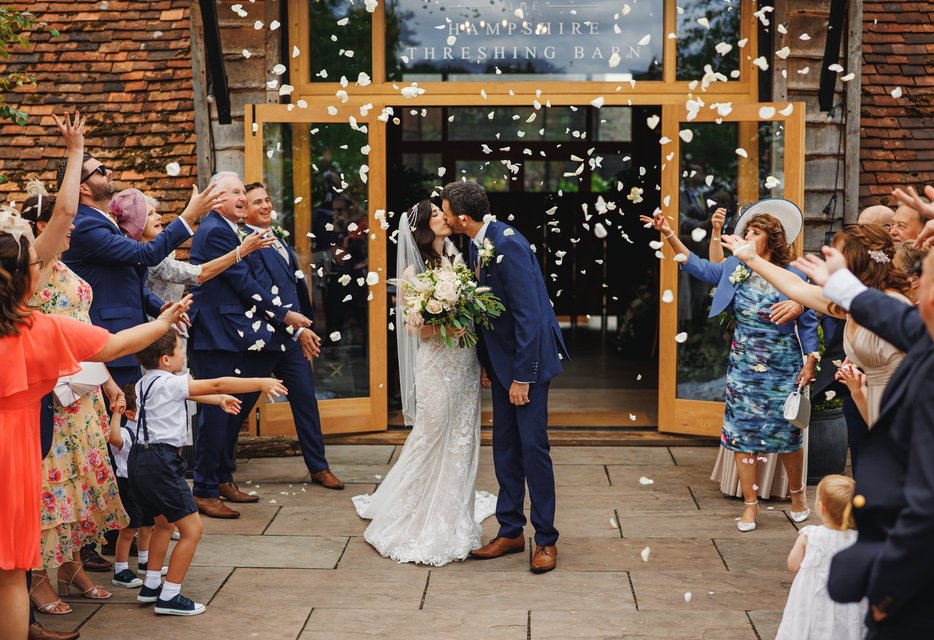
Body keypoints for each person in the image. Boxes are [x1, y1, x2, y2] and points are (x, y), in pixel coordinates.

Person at [0, 208, 192, 640]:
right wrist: (161, 323)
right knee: (11, 574)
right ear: (20, 280)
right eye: (35, 264)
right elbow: (115, 345)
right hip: (12, 459)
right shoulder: (42, 329)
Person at [642, 199, 819, 532]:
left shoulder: (793, 274)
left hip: (783, 363)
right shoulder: (734, 270)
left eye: (754, 232)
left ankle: (798, 498)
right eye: (747, 231)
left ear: (772, 240)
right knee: (741, 435)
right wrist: (668, 233)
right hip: (744, 362)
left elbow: (809, 321)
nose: (747, 236)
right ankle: (750, 507)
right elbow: (695, 265)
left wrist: (810, 362)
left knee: (788, 434)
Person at [794, 247, 934, 639]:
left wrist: (888, 592)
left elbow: (925, 506)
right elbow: (902, 320)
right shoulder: (922, 328)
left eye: (926, 276)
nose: (916, 284)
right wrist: (844, 286)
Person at [351, 200, 496, 565]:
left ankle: (452, 505)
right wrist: (447, 323)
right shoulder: (414, 269)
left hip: (463, 361)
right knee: (432, 434)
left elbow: (473, 315)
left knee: (462, 435)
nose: (444, 218)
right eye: (436, 214)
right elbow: (415, 328)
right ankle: (410, 512)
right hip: (437, 364)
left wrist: (479, 360)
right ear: (423, 226)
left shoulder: (456, 258)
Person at [442, 181, 569, 573]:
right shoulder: (474, 242)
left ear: (462, 218)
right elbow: (487, 312)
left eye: (445, 212)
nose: (443, 217)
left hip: (526, 366)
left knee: (533, 450)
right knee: (505, 447)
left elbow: (529, 315)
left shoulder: (508, 244)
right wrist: (486, 364)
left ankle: (545, 539)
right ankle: (511, 530)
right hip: (500, 364)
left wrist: (522, 378)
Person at [127, 330, 286, 616]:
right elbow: (215, 383)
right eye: (180, 350)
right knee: (192, 530)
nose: (183, 354)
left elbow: (193, 393)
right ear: (165, 359)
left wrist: (219, 399)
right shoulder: (170, 381)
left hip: (140, 461)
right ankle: (170, 597)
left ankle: (151, 585)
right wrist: (260, 382)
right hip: (162, 463)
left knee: (164, 522)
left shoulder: (143, 383)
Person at [188, 172, 311, 518]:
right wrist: (285, 315)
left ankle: (222, 478)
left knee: (228, 412)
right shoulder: (214, 232)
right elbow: (242, 282)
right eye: (235, 193)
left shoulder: (229, 229)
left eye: (244, 192)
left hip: (229, 333)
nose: (243, 198)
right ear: (216, 198)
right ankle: (205, 490)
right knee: (215, 413)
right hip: (214, 336)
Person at [720, 224, 911, 428]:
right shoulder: (853, 303)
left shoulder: (893, 305)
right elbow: (797, 288)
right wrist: (751, 258)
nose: (829, 266)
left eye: (836, 258)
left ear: (857, 263)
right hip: (873, 410)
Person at [240, 182, 343, 489]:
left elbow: (292, 288)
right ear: (243, 209)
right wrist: (296, 327)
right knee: (240, 405)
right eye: (257, 202)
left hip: (289, 339)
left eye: (267, 199)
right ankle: (218, 470)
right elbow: (257, 294)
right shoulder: (247, 243)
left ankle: (318, 467)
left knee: (305, 401)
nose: (266, 205)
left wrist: (303, 329)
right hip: (262, 340)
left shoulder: (277, 237)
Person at [775, 474, 866, 640]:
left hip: (810, 598)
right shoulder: (859, 539)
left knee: (807, 625)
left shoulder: (810, 536)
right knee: (845, 627)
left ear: (821, 507)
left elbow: (793, 565)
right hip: (847, 600)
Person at [107, 383, 163, 590]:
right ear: (130, 414)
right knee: (129, 528)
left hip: (145, 484)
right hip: (127, 485)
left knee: (148, 524)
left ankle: (144, 560)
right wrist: (116, 413)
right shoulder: (124, 433)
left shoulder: (147, 432)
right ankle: (120, 569)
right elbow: (113, 437)